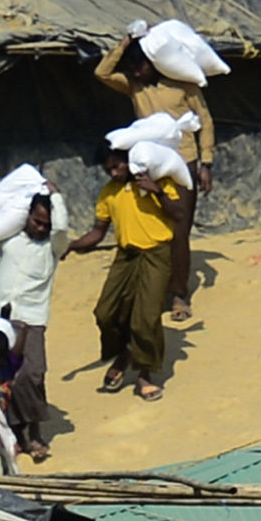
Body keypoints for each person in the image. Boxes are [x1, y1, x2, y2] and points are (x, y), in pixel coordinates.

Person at [95, 28, 215, 322]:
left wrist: (206, 163)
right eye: (133, 68)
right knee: (149, 227)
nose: (137, 72)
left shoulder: (183, 85)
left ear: (155, 62)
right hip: (146, 164)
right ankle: (152, 287)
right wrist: (125, 42)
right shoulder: (134, 86)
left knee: (178, 229)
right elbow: (102, 73)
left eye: (141, 66)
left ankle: (178, 294)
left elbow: (205, 121)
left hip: (182, 163)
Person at [69, 147, 181, 400]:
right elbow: (98, 232)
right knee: (105, 311)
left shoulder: (159, 182)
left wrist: (158, 192)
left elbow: (179, 214)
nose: (113, 172)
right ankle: (123, 352)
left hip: (156, 255)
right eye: (108, 169)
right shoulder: (109, 192)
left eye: (117, 166)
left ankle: (145, 374)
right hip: (126, 257)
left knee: (146, 318)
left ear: (129, 162)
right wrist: (73, 246)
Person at [0, 189, 68, 461]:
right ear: (26, 217)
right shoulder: (8, 241)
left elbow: (61, 230)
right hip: (1, 318)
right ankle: (16, 432)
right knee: (3, 376)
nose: (41, 228)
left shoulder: (53, 247)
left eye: (46, 224)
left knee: (32, 373)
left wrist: (56, 198)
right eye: (36, 221)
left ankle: (35, 429)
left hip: (32, 319)